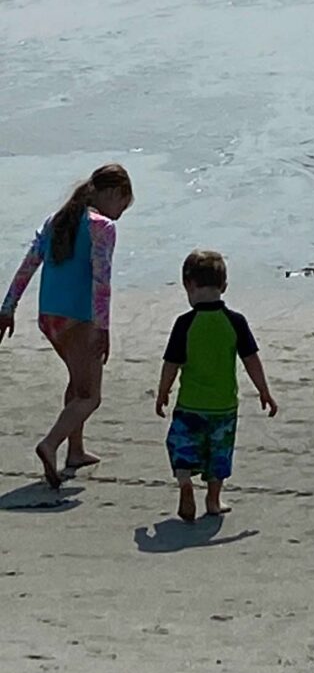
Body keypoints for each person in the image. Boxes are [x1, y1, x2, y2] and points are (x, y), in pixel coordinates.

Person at [0, 164, 133, 489]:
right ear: (113, 193)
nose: (119, 215)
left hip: (49, 317)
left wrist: (7, 308)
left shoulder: (57, 220)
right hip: (79, 318)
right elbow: (102, 281)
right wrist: (102, 328)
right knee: (90, 396)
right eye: (122, 206)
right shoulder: (101, 227)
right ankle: (51, 444)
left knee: (77, 383)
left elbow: (28, 264)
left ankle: (76, 450)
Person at [156, 249, 277, 522]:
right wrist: (264, 391)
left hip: (189, 405)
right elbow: (251, 360)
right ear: (223, 286)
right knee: (218, 454)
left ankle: (185, 483)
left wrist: (163, 392)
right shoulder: (235, 322)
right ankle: (213, 499)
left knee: (182, 447)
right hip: (223, 406)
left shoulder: (184, 323)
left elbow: (171, 363)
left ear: (188, 284)